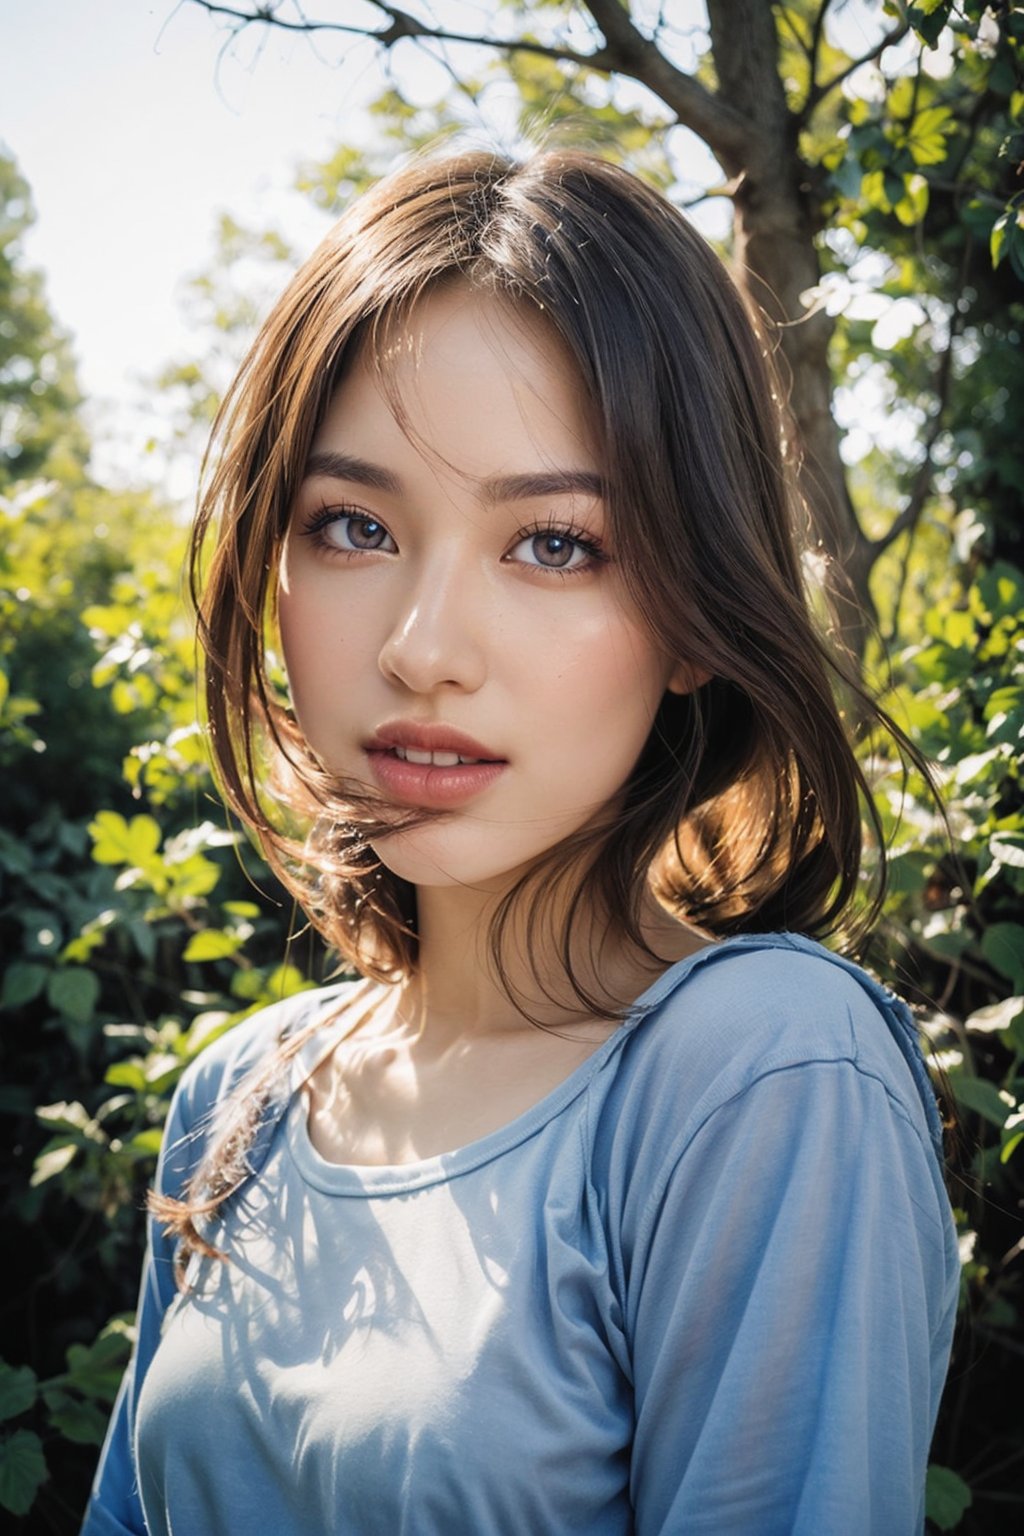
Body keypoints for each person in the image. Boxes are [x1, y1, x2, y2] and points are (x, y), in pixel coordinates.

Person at [82, 148, 959, 1536]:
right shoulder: (237, 1100)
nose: (424, 649)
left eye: (555, 544)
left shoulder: (762, 1071)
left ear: (692, 612)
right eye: (355, 525)